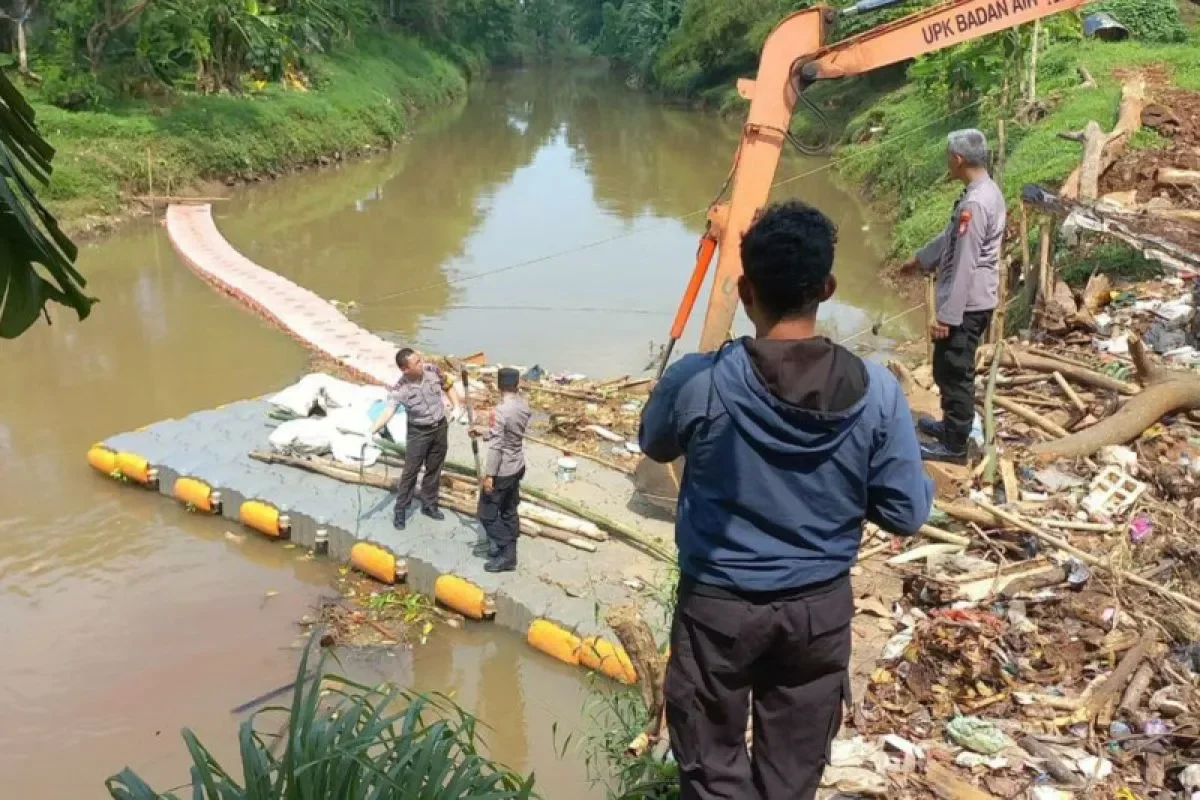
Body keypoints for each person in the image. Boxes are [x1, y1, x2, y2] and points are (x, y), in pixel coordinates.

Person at [639, 200, 932, 800]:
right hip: (817, 614)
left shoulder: (699, 381)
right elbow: (907, 511)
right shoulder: (878, 392)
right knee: (792, 778)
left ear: (746, 290)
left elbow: (654, 441)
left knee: (712, 773)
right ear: (826, 288)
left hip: (718, 611)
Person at [900, 128, 1006, 465]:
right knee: (946, 367)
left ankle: (955, 447)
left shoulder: (975, 202)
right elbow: (951, 238)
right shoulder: (983, 191)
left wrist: (947, 315)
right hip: (972, 300)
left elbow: (965, 263)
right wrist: (921, 259)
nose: (948, 162)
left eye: (949, 157)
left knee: (954, 372)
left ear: (958, 159)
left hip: (967, 304)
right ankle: (950, 427)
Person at [371, 348, 463, 530]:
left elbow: (448, 386)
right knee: (410, 471)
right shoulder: (400, 389)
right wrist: (372, 430)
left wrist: (456, 406)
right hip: (419, 432)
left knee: (434, 467)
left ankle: (429, 504)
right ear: (405, 369)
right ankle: (401, 510)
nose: (422, 364)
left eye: (420, 360)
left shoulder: (433, 371)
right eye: (417, 363)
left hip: (439, 426)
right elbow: (388, 411)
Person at [469, 367, 531, 573]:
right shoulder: (523, 406)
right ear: (517, 385)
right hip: (517, 464)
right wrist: (483, 432)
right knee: (508, 509)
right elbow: (508, 434)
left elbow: (497, 446)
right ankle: (510, 546)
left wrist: (489, 475)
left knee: (486, 514)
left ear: (498, 386)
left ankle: (507, 552)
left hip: (502, 470)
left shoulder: (501, 411)